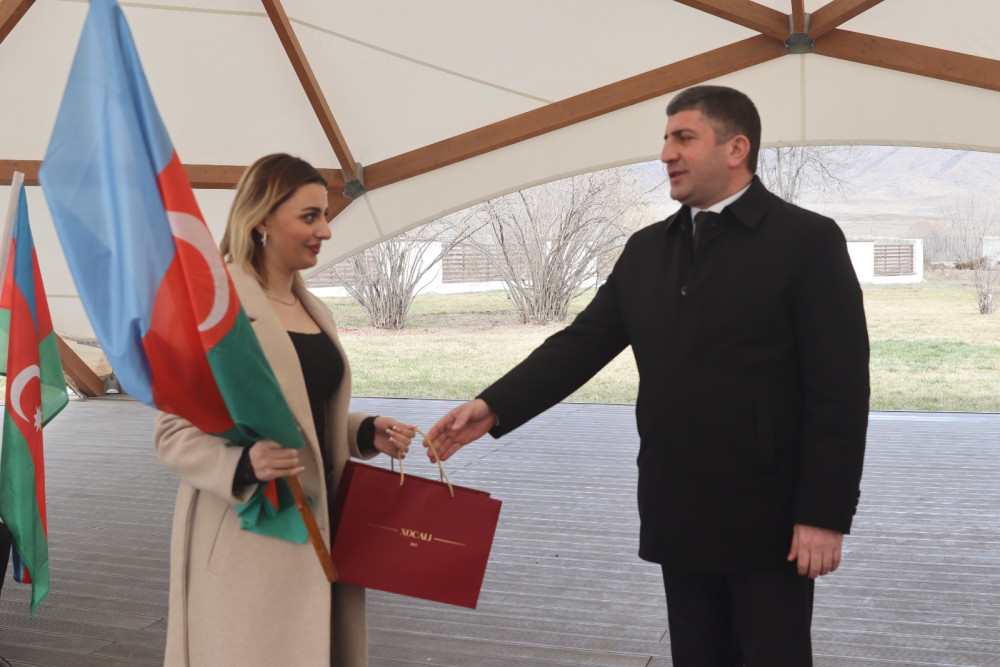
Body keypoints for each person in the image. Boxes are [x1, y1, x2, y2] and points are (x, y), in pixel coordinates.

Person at [425, 86, 870, 666]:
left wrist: (823, 514)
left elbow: (839, 390)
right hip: (678, 508)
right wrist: (494, 406)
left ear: (737, 148)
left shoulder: (806, 241)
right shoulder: (646, 251)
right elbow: (581, 344)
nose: (666, 154)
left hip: (771, 520)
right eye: (665, 139)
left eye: (683, 138)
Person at [154, 154, 415, 666]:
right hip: (250, 542)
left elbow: (302, 414)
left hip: (323, 529)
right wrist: (242, 464)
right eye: (310, 216)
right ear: (262, 221)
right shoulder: (214, 307)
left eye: (326, 216)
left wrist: (362, 432)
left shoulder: (314, 308)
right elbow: (171, 433)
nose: (326, 231)